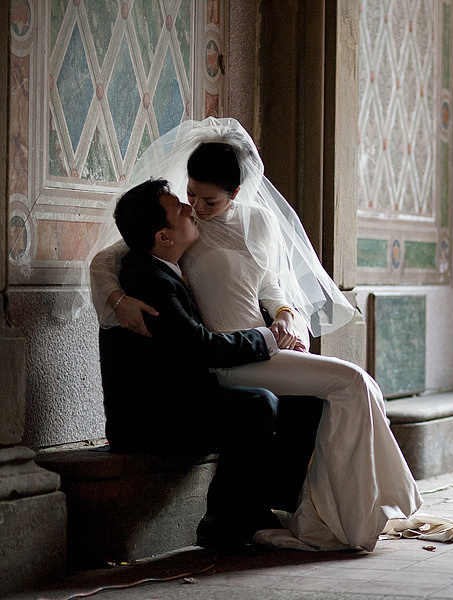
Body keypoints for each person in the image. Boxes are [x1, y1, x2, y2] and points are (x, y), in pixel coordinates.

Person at [89, 118, 424, 552]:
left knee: (342, 391)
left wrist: (285, 313)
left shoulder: (260, 222)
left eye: (208, 199)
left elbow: (269, 284)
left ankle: (333, 508)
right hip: (231, 357)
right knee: (352, 382)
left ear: (236, 193)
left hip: (260, 347)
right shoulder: (182, 227)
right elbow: (106, 259)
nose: (196, 206)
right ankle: (365, 509)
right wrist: (117, 299)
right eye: (190, 194)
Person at [100, 179, 322, 550]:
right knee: (257, 404)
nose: (191, 209)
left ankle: (268, 507)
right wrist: (267, 338)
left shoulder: (162, 264)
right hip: (150, 419)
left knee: (304, 397)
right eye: (179, 209)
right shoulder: (147, 279)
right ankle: (224, 518)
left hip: (183, 396)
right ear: (164, 237)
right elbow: (201, 347)